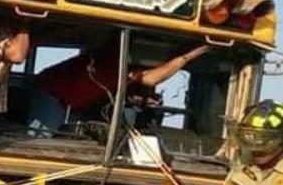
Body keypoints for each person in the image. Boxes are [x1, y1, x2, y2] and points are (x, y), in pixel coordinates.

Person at [29, 40, 210, 135]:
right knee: (38, 145)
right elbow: (150, 79)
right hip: (51, 95)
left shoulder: (113, 66)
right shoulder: (116, 59)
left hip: (67, 101)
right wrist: (186, 58)